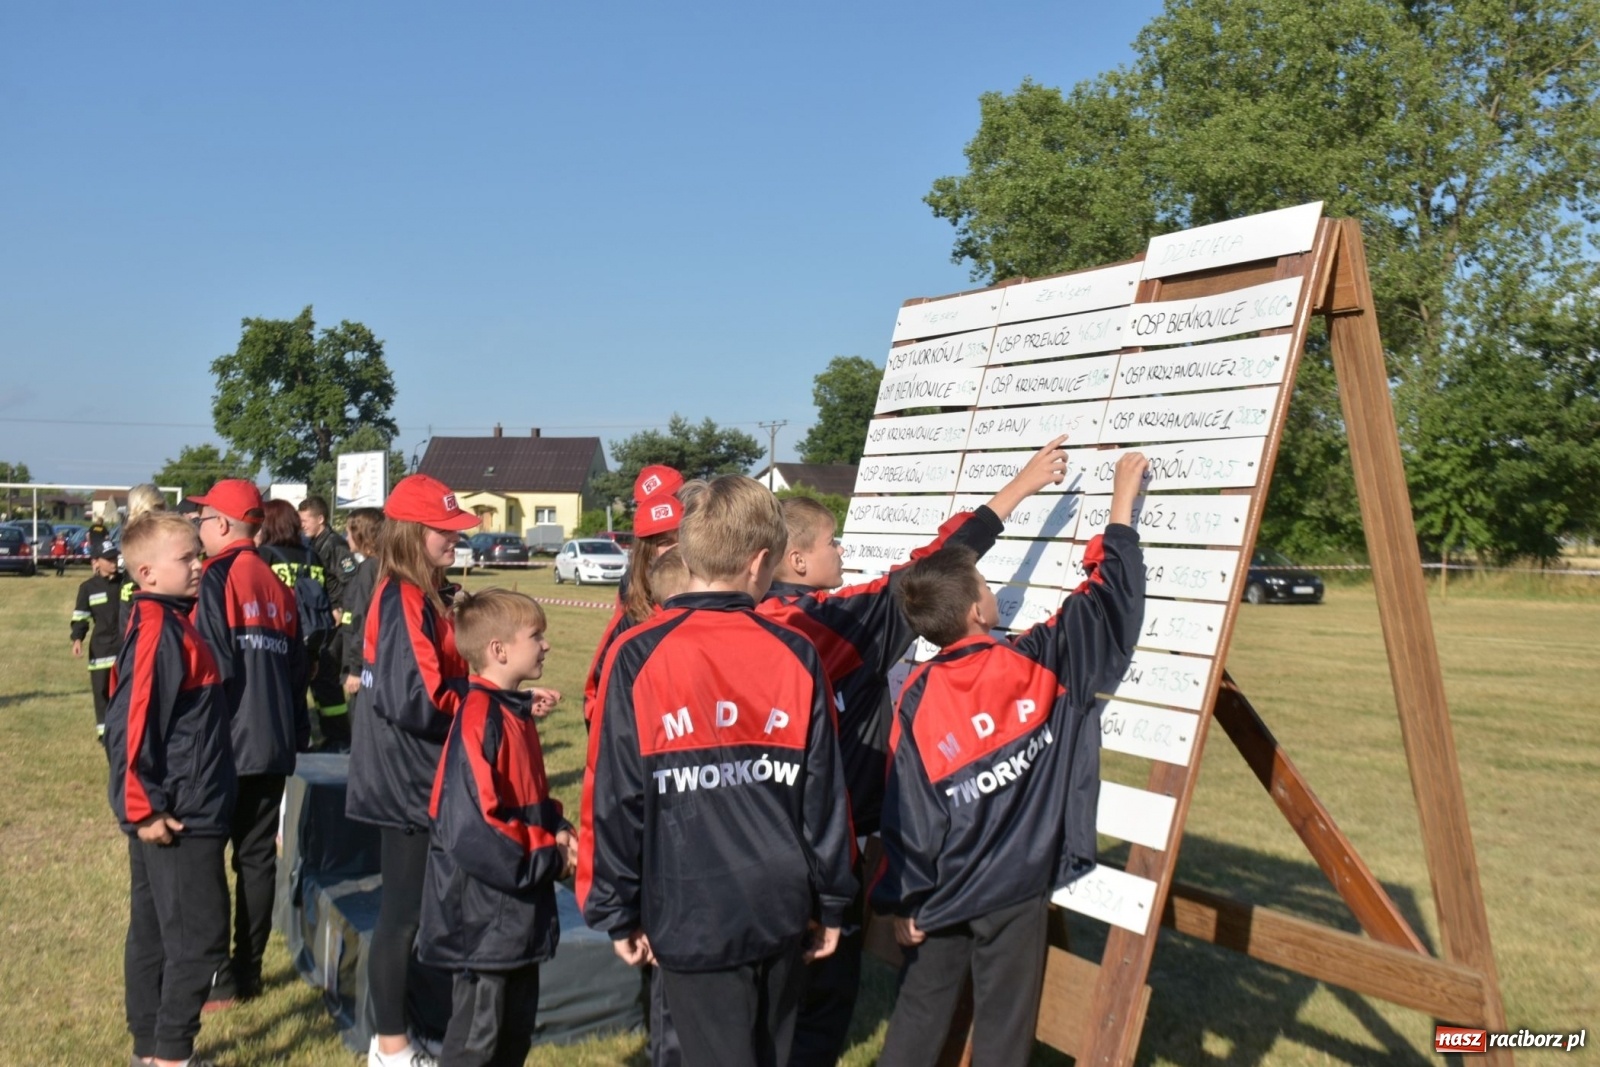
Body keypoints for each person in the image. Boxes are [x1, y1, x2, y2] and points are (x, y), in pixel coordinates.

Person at [757, 439, 1071, 1067]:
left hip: (755, 848)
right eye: (831, 543)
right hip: (822, 854)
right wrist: (1016, 490)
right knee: (817, 1011)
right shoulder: (829, 625)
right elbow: (929, 568)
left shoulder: (755, 619)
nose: (842, 550)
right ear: (796, 560)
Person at [871, 453, 1150, 1067]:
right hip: (1015, 887)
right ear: (977, 611)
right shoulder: (1037, 658)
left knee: (919, 1014)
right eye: (985, 587)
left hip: (942, 891)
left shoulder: (915, 698)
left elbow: (909, 814)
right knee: (1005, 1029)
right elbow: (1109, 602)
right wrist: (1122, 507)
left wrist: (907, 901)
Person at [579, 475, 856, 1067]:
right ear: (761, 564)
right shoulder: (795, 651)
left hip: (689, 910)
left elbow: (615, 797)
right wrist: (833, 898)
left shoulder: (637, 654)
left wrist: (615, 907)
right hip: (778, 903)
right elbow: (825, 798)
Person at [346, 473, 480, 1067]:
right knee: (401, 918)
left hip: (416, 775)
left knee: (416, 914)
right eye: (445, 531)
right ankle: (391, 1047)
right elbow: (418, 700)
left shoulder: (422, 594)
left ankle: (408, 1031)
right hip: (406, 781)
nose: (456, 539)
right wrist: (484, 699)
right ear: (411, 533)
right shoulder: (401, 597)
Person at [418, 589, 573, 1067]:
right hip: (484, 919)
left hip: (515, 913)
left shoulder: (512, 712)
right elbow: (475, 828)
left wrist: (557, 826)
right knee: (477, 1041)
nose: (546, 645)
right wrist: (550, 855)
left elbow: (523, 798)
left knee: (512, 1036)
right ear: (499, 650)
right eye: (536, 636)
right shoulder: (480, 717)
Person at [106, 511, 236, 1067]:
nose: (198, 565)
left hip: (179, 803)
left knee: (157, 931)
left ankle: (151, 1050)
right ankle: (170, 1056)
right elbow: (131, 727)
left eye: (197, 554)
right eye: (185, 558)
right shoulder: (160, 629)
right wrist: (144, 809)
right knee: (199, 938)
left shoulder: (170, 620)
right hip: (180, 814)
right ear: (146, 573)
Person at [188, 479, 307, 1007]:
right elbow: (299, 668)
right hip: (275, 736)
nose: (197, 527)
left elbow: (213, 664)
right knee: (257, 859)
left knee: (207, 856)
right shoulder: (279, 585)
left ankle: (219, 978)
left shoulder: (216, 576)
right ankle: (250, 971)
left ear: (221, 525)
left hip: (227, 740)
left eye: (201, 517)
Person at [258, 499, 339, 731]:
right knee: (298, 698)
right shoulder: (311, 555)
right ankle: (302, 742)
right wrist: (313, 655)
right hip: (307, 640)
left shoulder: (265, 555)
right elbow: (319, 601)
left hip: (276, 639)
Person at [300, 495, 357, 748]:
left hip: (336, 623)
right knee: (320, 678)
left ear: (320, 519)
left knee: (326, 676)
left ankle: (338, 737)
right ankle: (329, 733)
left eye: (306, 520)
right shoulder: (313, 544)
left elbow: (351, 580)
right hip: (323, 620)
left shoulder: (334, 544)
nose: (302, 525)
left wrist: (338, 608)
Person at [337, 507, 385, 752]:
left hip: (364, 667)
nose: (346, 538)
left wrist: (354, 669)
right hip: (373, 664)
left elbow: (361, 621)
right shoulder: (380, 566)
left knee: (362, 734)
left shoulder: (369, 570)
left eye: (349, 532)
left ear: (362, 535)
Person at [71, 541, 127, 745]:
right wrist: (77, 638)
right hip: (100, 649)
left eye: (115, 558)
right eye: (109, 559)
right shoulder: (87, 588)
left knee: (124, 690)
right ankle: (104, 732)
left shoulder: (126, 583)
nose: (114, 562)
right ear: (96, 562)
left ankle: (123, 727)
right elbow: (81, 616)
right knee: (101, 691)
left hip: (123, 647)